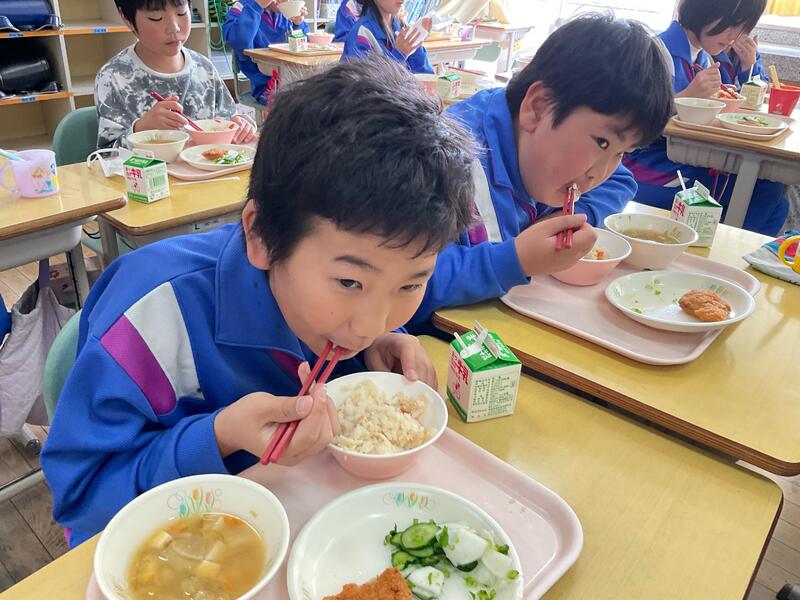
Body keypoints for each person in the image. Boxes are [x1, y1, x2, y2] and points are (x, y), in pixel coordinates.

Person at [41, 57, 475, 547]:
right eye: (350, 282)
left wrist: (382, 345)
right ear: (262, 236)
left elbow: (373, 317)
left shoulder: (347, 319)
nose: (370, 324)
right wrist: (219, 437)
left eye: (409, 286)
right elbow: (81, 500)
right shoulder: (154, 313)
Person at [409, 14, 673, 326]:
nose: (599, 173)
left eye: (622, 152)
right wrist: (514, 260)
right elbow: (397, 282)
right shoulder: (441, 159)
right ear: (537, 107)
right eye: (602, 142)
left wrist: (569, 217)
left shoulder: (544, 151)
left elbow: (621, 181)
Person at [623, 0, 787, 235]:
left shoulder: (705, 58)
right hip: (648, 166)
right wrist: (685, 98)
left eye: (742, 28)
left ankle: (719, 250)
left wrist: (749, 66)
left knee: (777, 199)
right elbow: (631, 125)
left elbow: (739, 98)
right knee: (764, 192)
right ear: (704, 9)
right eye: (731, 23)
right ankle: (720, 249)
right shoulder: (656, 52)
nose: (733, 36)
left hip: (688, 160)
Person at [95, 0, 256, 149]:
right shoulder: (113, 77)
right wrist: (141, 128)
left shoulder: (204, 68)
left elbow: (229, 122)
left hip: (204, 169)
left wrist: (242, 126)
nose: (174, 28)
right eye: (156, 18)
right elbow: (107, 155)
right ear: (126, 19)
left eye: (181, 13)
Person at [224, 0, 308, 106]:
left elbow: (303, 49)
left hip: (295, 79)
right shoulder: (242, 7)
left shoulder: (285, 12)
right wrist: (258, 6)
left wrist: (298, 24)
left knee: (321, 96)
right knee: (297, 105)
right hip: (265, 84)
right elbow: (239, 42)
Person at [341, 0, 433, 74]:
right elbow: (365, 84)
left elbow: (424, 76)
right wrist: (399, 54)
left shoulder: (401, 27)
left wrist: (417, 43)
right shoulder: (362, 33)